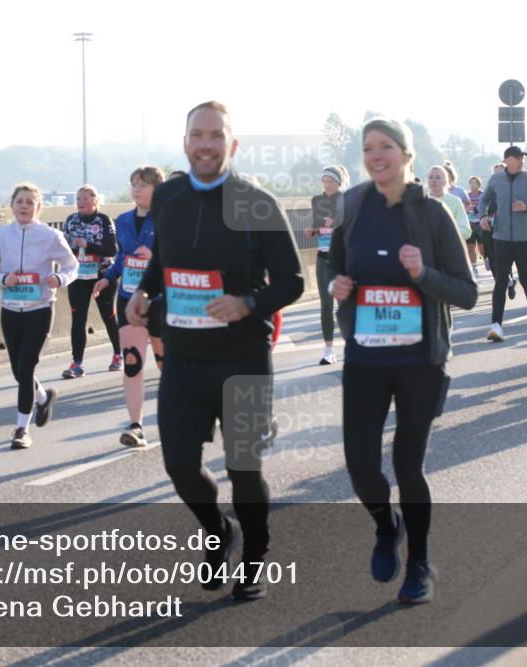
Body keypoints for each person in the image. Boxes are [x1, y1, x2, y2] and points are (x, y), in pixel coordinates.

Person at [127, 101, 303, 601]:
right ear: (185, 142)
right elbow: (164, 254)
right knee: (179, 465)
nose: (206, 144)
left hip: (242, 358)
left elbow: (292, 281)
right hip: (183, 357)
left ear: (233, 144)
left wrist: (247, 302)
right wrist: (143, 289)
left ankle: (253, 559)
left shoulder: (257, 202)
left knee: (244, 469)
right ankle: (217, 531)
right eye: (197, 135)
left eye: (216, 136)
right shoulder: (170, 196)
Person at [328, 117, 477, 604]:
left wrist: (423, 273)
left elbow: (468, 292)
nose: (376, 155)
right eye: (369, 148)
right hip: (365, 357)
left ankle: (420, 563)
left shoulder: (432, 214)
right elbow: (331, 262)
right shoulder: (351, 206)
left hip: (419, 361)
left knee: (407, 466)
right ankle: (384, 524)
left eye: (386, 146)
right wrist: (337, 284)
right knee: (360, 465)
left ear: (406, 155)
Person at [0, 183, 77, 449]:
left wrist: (59, 277)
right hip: (10, 309)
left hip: (40, 308)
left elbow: (72, 265)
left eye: (29, 202)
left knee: (26, 369)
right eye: (19, 201)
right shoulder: (1, 235)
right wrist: (3, 278)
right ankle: (44, 397)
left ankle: (22, 429)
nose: (24, 206)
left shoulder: (50, 236)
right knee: (17, 370)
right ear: (12, 205)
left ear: (38, 207)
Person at [95, 167, 166, 448]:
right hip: (128, 298)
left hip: (160, 300)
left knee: (166, 364)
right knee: (133, 361)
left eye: (143, 184)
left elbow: (181, 256)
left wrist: (156, 255)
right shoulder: (122, 221)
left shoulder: (167, 220)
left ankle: (187, 413)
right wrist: (107, 278)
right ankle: (136, 425)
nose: (136, 189)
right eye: (133, 184)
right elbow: (122, 258)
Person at [478, 146, 527, 341]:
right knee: (501, 280)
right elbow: (484, 200)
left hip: (525, 238)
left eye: (522, 158)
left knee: (526, 278)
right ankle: (496, 325)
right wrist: (483, 215)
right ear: (506, 160)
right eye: (517, 158)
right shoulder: (496, 179)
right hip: (501, 237)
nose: (521, 161)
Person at [61, 185, 121, 379]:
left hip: (102, 275)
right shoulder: (70, 221)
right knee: (78, 319)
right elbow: (63, 249)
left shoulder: (103, 220)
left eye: (86, 199)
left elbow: (112, 249)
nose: (81, 202)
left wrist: (89, 246)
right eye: (78, 199)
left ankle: (118, 354)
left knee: (108, 315)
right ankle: (76, 363)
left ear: (95, 201)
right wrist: (72, 255)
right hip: (78, 276)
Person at [305, 165, 348, 365]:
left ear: (339, 182)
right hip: (323, 256)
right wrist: (312, 229)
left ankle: (351, 346)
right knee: (326, 305)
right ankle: (329, 350)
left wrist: (336, 221)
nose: (327, 185)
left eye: (331, 181)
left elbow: (348, 223)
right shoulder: (317, 200)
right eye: (324, 181)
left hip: (342, 259)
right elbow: (317, 221)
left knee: (343, 305)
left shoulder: (346, 199)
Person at [466, 176, 486, 275]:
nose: (472, 185)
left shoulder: (483, 195)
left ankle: (487, 260)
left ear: (478, 184)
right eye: (471, 183)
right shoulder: (466, 195)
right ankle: (474, 267)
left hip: (480, 223)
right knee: (470, 246)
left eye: (474, 183)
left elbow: (487, 206)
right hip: (470, 223)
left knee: (482, 247)